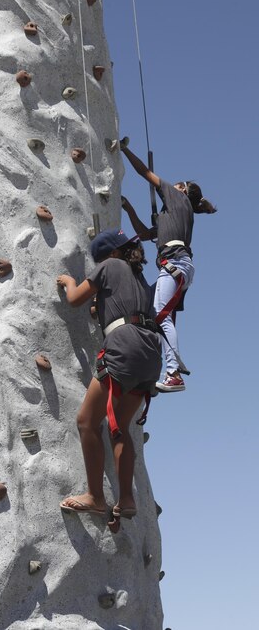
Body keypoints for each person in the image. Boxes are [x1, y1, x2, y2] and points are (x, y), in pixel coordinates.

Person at [57, 230, 162, 519]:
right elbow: (118, 307)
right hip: (150, 354)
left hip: (123, 348)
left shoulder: (110, 266)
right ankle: (127, 500)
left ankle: (95, 497)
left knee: (87, 422)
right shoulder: (137, 279)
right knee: (120, 428)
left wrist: (69, 282)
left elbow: (76, 299)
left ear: (110, 255)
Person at [120, 141, 217, 392]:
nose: (171, 185)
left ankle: (173, 373)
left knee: (162, 317)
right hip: (176, 265)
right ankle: (152, 361)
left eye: (176, 184)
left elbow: (144, 173)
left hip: (174, 263)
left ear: (182, 189)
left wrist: (125, 150)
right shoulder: (171, 214)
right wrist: (129, 208)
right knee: (146, 309)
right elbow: (143, 234)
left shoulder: (178, 199)